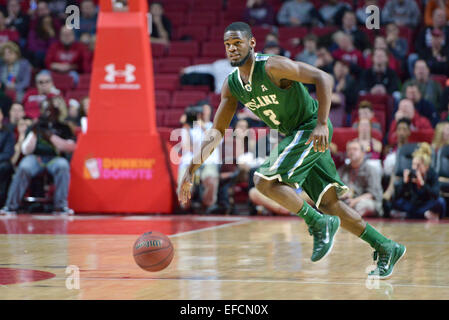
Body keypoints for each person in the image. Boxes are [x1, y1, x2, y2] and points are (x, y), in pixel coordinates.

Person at [178, 22, 406, 279]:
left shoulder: (273, 66)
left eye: (237, 43)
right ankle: (386, 247)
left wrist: (321, 123)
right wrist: (190, 169)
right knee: (331, 204)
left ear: (252, 43)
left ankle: (316, 222)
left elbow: (323, 77)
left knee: (262, 181)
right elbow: (217, 132)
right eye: (228, 45)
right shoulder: (233, 86)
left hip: (310, 128)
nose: (232, 49)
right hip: (296, 134)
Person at [0, 96, 76, 215]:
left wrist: (50, 137)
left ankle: (61, 206)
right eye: (46, 110)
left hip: (55, 158)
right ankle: (11, 206)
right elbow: (25, 150)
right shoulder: (36, 126)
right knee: (24, 167)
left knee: (63, 166)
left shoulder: (64, 127)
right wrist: (35, 133)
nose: (49, 113)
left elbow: (70, 147)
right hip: (36, 157)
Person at [391, 142, 445, 220]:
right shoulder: (410, 173)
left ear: (426, 166)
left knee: (441, 202)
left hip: (426, 204)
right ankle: (424, 215)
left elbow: (435, 195)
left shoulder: (432, 174)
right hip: (413, 206)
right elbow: (397, 196)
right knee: (395, 202)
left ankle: (412, 215)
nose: (415, 168)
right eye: (413, 164)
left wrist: (423, 184)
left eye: (418, 165)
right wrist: (404, 183)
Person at [338, 140, 383, 217]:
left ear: (363, 153)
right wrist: (341, 194)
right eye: (349, 149)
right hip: (347, 201)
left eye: (355, 149)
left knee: (361, 205)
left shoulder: (371, 169)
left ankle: (349, 219)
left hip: (365, 201)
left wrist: (354, 201)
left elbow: (372, 194)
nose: (351, 152)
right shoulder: (342, 170)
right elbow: (336, 188)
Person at [0, 108, 14, 207]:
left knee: (5, 167)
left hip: (2, 162)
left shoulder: (7, 132)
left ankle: (2, 202)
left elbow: (8, 153)